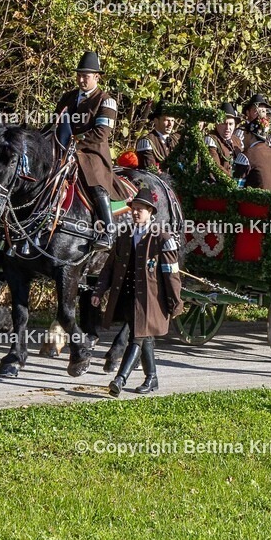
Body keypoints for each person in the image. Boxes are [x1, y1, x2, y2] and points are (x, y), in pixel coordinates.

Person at [93, 187, 183, 396]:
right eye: (133, 208)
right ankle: (152, 378)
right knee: (144, 338)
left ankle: (119, 380)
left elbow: (171, 274)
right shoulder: (124, 235)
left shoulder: (162, 238)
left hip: (151, 300)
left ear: (150, 212)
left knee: (136, 339)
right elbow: (109, 267)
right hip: (127, 297)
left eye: (140, 209)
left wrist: (175, 303)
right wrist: (99, 291)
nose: (135, 212)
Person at [53, 51, 129, 249]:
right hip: (62, 150)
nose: (81, 80)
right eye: (79, 75)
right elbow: (54, 124)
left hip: (91, 153)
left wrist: (74, 143)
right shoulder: (67, 98)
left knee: (95, 181)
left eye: (85, 76)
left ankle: (108, 231)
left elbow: (101, 133)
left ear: (97, 77)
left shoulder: (106, 101)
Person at [232, 119, 271, 190]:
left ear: (250, 135)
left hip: (254, 197)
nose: (243, 138)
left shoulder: (245, 156)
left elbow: (236, 188)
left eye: (244, 134)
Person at [136, 102, 179, 171]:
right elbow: (151, 172)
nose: (170, 124)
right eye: (167, 120)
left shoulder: (176, 139)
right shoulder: (147, 142)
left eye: (172, 120)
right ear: (156, 121)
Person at [204, 102, 239, 176]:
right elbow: (215, 166)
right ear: (217, 124)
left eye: (230, 124)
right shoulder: (211, 139)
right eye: (224, 123)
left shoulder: (237, 140)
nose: (227, 128)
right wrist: (231, 180)